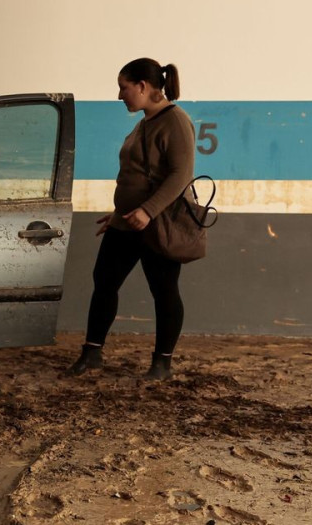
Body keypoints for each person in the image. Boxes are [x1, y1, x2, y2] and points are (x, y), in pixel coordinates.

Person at [66, 58, 196, 381]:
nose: (119, 95)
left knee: (164, 290)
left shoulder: (175, 121)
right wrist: (119, 214)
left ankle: (162, 363)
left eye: (124, 88)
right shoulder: (144, 122)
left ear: (143, 86)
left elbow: (181, 175)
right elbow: (140, 174)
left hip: (157, 222)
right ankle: (92, 352)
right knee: (104, 281)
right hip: (128, 221)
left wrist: (148, 210)